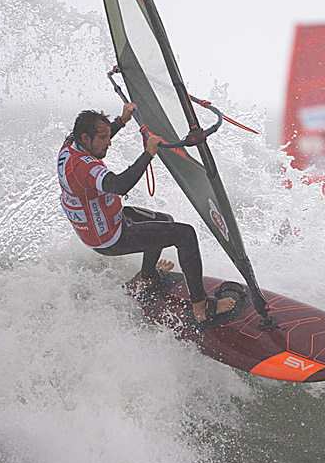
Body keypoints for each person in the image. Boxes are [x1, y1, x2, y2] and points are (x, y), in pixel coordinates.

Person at [57, 105, 235, 322]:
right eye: (103, 138)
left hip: (108, 219)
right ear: (86, 138)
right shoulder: (83, 168)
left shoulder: (71, 146)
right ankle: (201, 307)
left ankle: (148, 277)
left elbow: (98, 142)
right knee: (185, 235)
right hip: (109, 237)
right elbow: (119, 185)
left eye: (107, 135)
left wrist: (121, 121)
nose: (109, 142)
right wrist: (149, 153)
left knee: (165, 221)